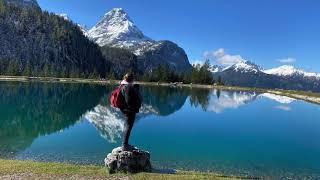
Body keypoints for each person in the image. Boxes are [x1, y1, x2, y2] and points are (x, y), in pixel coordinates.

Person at [120, 73, 142, 151]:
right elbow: (129, 100)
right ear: (132, 79)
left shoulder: (123, 85)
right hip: (129, 111)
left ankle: (125, 144)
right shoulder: (128, 87)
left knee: (127, 126)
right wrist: (133, 108)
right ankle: (125, 145)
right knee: (128, 127)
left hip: (126, 110)